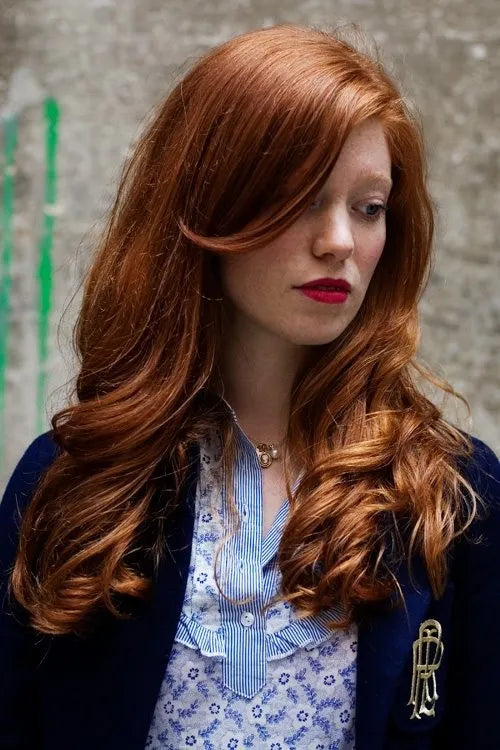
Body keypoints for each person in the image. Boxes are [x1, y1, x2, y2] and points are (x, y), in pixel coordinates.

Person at [0, 21, 499, 750]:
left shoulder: (451, 492)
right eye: (303, 198)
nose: (339, 241)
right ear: (206, 205)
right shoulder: (75, 482)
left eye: (369, 207)